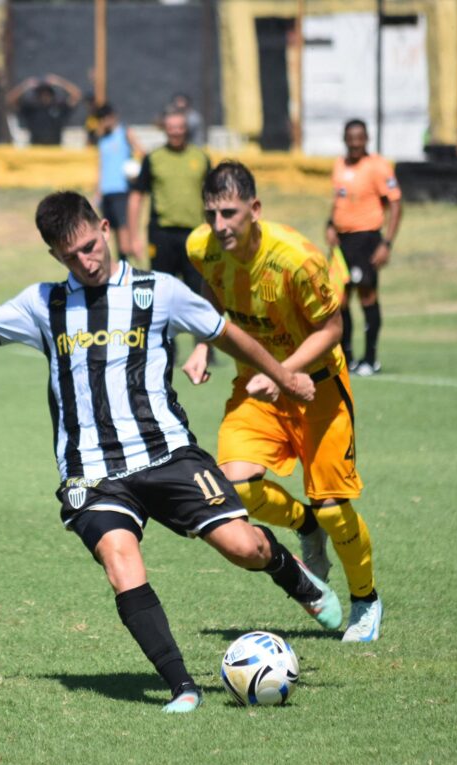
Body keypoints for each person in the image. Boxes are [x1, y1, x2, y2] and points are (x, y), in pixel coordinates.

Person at [0, 191, 343, 714]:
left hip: (167, 453)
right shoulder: (44, 304)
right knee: (121, 561)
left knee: (243, 547)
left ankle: (293, 577)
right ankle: (181, 686)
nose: (86, 261)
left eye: (89, 247)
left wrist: (284, 376)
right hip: (92, 472)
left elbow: (226, 334)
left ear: (104, 228)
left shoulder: (158, 291)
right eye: (70, 255)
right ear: (55, 256)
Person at [184, 161, 382, 643]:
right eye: (211, 214)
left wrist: (286, 373)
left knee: (334, 507)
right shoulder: (201, 247)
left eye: (229, 213)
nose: (219, 225)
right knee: (236, 487)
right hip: (257, 387)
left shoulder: (297, 258)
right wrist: (204, 343)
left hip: (318, 387)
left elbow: (332, 328)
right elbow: (211, 289)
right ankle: (305, 524)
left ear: (255, 209)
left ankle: (365, 600)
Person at [326, 119, 402, 376]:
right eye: (350, 138)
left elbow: (396, 204)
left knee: (367, 296)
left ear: (366, 139)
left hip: (366, 239)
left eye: (359, 138)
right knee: (338, 300)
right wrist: (330, 224)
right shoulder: (339, 165)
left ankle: (370, 358)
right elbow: (338, 200)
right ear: (344, 139)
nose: (355, 143)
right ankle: (346, 358)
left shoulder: (378, 166)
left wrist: (386, 243)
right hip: (341, 243)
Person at [127, 108, 209, 294]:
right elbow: (136, 196)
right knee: (161, 293)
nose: (176, 132)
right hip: (161, 234)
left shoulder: (201, 158)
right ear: (165, 128)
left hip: (194, 235)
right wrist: (134, 238)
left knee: (198, 293)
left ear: (186, 128)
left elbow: (213, 198)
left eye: (180, 127)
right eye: (171, 127)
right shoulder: (153, 158)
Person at [95, 103, 144, 262]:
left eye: (104, 118)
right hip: (106, 192)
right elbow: (101, 166)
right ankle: (124, 264)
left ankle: (133, 265)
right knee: (113, 233)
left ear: (112, 117)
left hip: (121, 191)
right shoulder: (102, 139)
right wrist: (98, 192)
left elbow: (142, 153)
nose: (102, 122)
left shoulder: (125, 133)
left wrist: (136, 172)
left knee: (125, 237)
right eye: (100, 120)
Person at [6, 74, 82, 146]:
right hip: (35, 149)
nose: (45, 96)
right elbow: (10, 99)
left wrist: (59, 82)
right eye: (41, 94)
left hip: (55, 149)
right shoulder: (32, 108)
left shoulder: (59, 107)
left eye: (47, 94)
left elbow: (76, 95)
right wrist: (25, 85)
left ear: (52, 95)